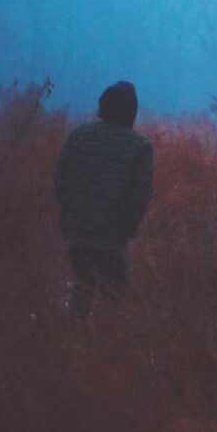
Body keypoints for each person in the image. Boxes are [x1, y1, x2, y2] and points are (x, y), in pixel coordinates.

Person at [54, 81, 153, 318]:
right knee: (115, 296)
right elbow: (141, 195)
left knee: (82, 287)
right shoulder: (139, 146)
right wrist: (127, 228)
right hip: (112, 235)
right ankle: (106, 347)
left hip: (77, 229)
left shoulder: (80, 135)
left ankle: (74, 344)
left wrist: (71, 215)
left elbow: (60, 180)